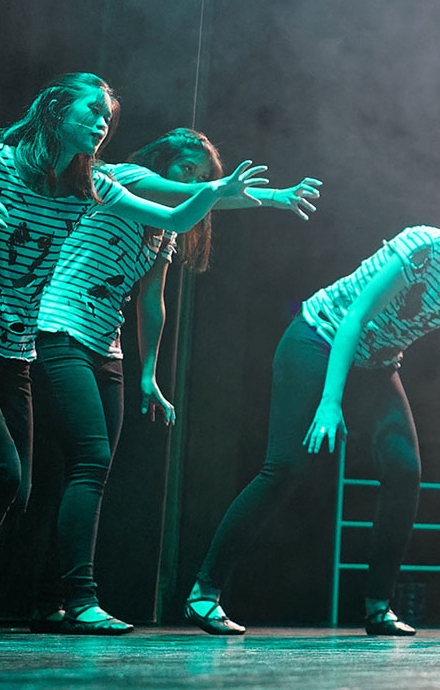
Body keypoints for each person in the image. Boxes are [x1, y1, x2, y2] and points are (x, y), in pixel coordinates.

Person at [0, 73, 265, 637]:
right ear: (57, 110)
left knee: (19, 489)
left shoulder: (92, 184)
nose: (102, 123)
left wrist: (229, 193)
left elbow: (174, 221)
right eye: (93, 112)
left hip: (18, 349)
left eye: (108, 117)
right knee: (9, 471)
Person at [186, 186, 440, 638]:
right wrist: (330, 402)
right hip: (318, 339)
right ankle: (203, 591)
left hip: (375, 364)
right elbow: (354, 318)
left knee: (404, 471)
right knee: (286, 467)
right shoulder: (422, 247)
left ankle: (377, 607)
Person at [26, 127, 321, 634]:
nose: (194, 181)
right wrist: (267, 196)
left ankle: (47, 600)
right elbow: (192, 196)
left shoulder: (163, 230)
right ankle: (79, 599)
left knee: (79, 471)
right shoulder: (127, 177)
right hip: (59, 330)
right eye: (187, 169)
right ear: (163, 163)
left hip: (105, 347)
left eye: (202, 175)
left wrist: (148, 374)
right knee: (87, 463)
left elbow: (151, 300)